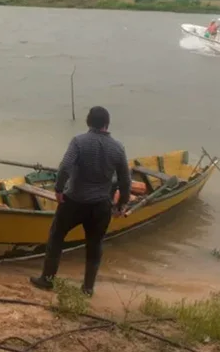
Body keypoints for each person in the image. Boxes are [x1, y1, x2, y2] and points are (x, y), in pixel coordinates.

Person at [29, 106, 131, 296]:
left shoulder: (79, 142)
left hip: (74, 201)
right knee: (94, 244)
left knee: (56, 237)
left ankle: (47, 279)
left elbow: (65, 167)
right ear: (107, 124)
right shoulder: (118, 148)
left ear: (88, 122)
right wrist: (121, 205)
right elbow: (125, 180)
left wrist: (59, 190)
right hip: (101, 205)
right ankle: (88, 288)